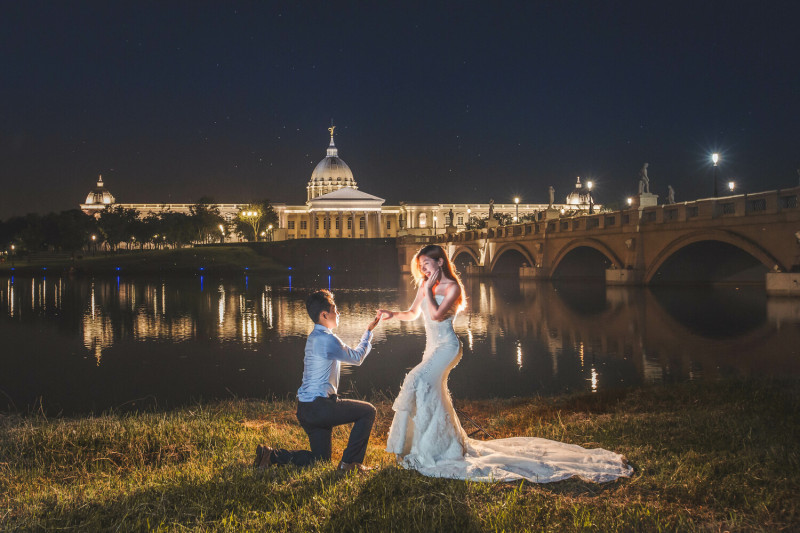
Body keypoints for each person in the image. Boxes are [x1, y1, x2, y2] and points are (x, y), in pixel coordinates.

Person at [378, 245, 633, 483]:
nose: (423, 270)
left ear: (440, 262)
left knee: (416, 379)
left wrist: (431, 289)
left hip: (446, 348)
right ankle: (433, 445)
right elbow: (413, 314)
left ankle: (436, 446)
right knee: (431, 392)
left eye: (426, 264)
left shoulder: (452, 288)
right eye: (420, 266)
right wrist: (393, 314)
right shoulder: (424, 285)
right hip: (431, 348)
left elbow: (434, 314)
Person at [254, 289, 382, 474]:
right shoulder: (328, 339)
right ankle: (350, 465)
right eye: (335, 309)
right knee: (368, 412)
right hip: (320, 407)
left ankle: (271, 455)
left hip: (306, 409)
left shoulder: (314, 337)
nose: (338, 313)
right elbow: (357, 357)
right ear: (324, 315)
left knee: (320, 460)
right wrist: (368, 332)